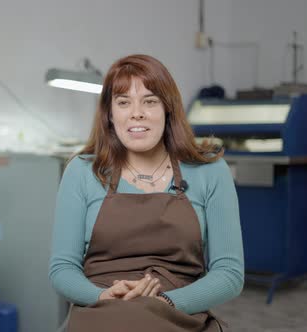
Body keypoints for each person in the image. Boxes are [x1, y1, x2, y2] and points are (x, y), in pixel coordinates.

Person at [49, 54, 244, 331]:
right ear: (110, 114)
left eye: (149, 101)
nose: (136, 112)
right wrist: (103, 296)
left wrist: (164, 302)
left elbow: (230, 274)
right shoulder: (82, 172)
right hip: (102, 310)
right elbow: (62, 269)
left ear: (168, 108)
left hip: (178, 311)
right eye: (123, 102)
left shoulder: (210, 171)